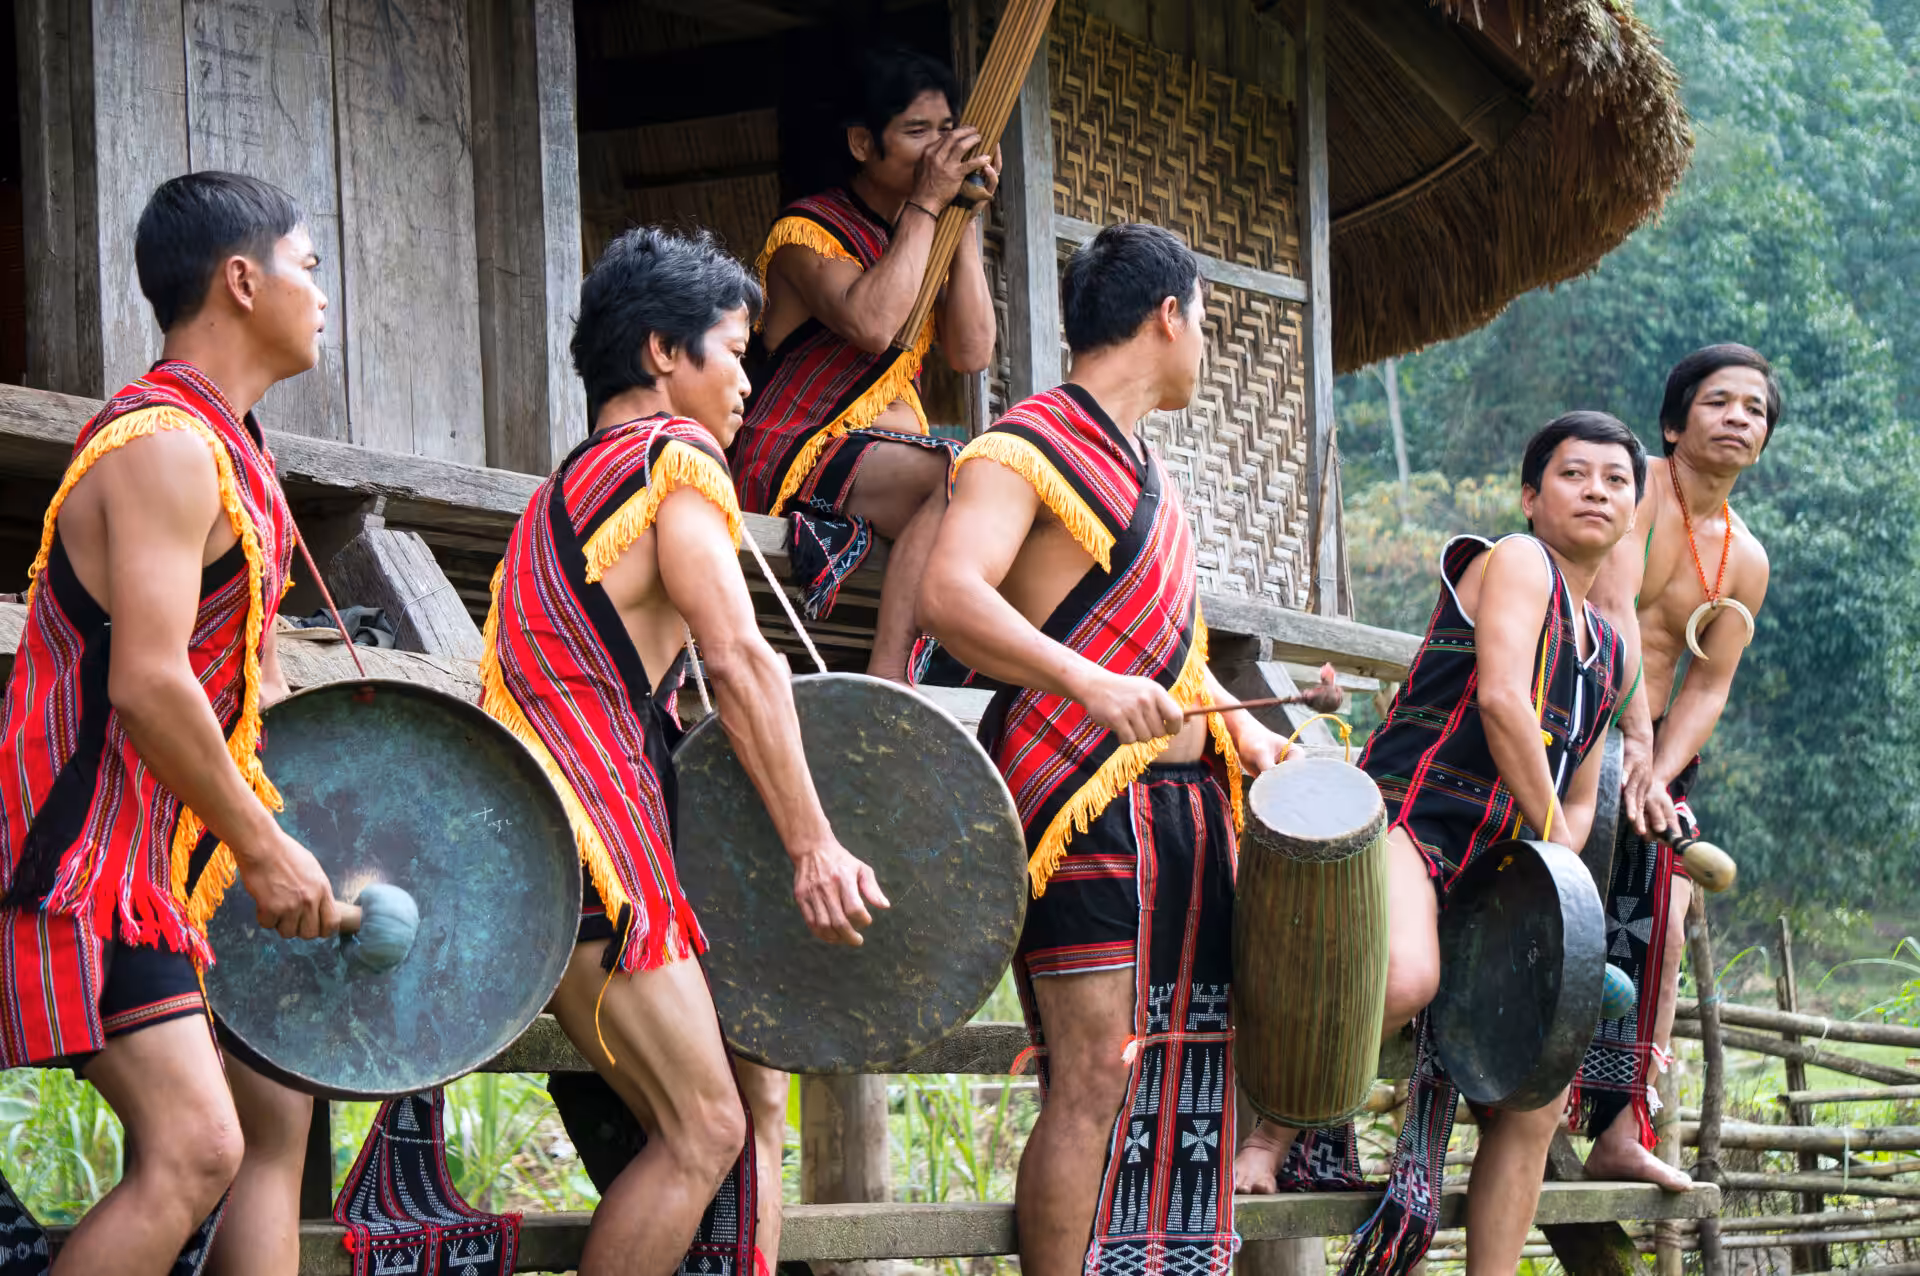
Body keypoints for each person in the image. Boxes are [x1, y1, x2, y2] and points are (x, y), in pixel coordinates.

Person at [479, 226, 888, 1276]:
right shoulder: (672, 461)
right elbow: (741, 660)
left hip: (535, 842)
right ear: (664, 352)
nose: (749, 381)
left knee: (746, 1106)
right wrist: (813, 845)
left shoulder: (558, 493)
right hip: (588, 849)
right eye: (733, 349)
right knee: (706, 1126)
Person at [919, 223, 1294, 1276]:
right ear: (1169, 313)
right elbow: (951, 596)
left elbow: (1169, 657)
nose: (1204, 343)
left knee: (1187, 1067)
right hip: (1079, 797)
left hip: (1183, 811)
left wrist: (1258, 736)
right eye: (1204, 320)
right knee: (1092, 1075)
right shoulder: (1023, 447)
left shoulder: (1151, 477)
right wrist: (1085, 681)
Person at [0, 172, 336, 1275]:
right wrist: (258, 841)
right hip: (72, 857)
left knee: (237, 1134)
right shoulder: (162, 446)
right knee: (197, 1148)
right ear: (241, 281)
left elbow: (248, 687)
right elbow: (146, 682)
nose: (322, 291)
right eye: (307, 264)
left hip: (145, 868)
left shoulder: (234, 452)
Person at [1233, 412, 1642, 1276]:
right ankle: (1272, 1134)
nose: (1597, 489)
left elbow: (1577, 788)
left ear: (1634, 510)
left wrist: (1554, 897)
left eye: (1616, 479)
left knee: (1540, 1087)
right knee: (1410, 976)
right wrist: (1556, 849)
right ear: (1532, 498)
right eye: (1574, 474)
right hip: (1409, 820)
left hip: (1503, 873)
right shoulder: (1520, 560)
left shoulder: (1612, 652)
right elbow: (1500, 702)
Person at [1574, 345, 1775, 1189]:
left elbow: (1711, 683)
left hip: (1656, 752)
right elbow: (1615, 612)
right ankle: (1521, 1096)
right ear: (1673, 421)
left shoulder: (1747, 559)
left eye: (1755, 410)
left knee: (1661, 913)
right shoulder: (1634, 488)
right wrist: (1634, 748)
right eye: (1719, 401)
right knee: (1556, 905)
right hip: (1579, 721)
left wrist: (1660, 769)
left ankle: (1621, 1126)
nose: (1738, 417)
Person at [731, 47, 997, 682]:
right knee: (955, 475)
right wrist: (930, 205)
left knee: (999, 490)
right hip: (790, 451)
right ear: (861, 143)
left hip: (873, 463)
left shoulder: (928, 231)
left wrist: (959, 223)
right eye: (914, 132)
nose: (937, 151)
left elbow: (972, 352)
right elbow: (873, 326)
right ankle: (889, 681)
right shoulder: (805, 229)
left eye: (945, 131)